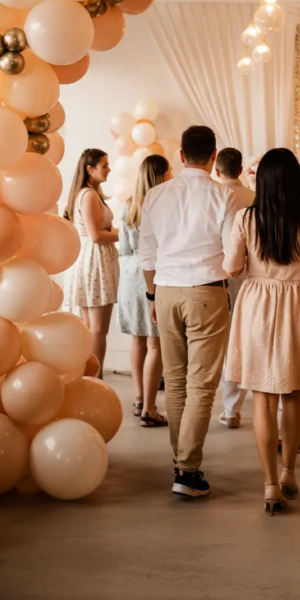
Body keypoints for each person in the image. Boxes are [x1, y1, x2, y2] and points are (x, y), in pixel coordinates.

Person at [224, 148, 300, 515]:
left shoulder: (245, 218)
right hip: (299, 302)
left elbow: (232, 268)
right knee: (295, 394)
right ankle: (288, 472)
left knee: (263, 399)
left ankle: (270, 485)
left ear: (263, 181)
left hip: (257, 302)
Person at [140, 125, 238, 499]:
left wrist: (151, 296)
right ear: (214, 157)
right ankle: (187, 470)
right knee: (201, 386)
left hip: (164, 291)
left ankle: (181, 463)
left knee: (177, 382)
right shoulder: (224, 197)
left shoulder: (156, 194)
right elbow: (231, 258)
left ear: (181, 155)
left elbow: (147, 256)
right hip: (207, 292)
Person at [117, 154, 171, 428]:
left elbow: (123, 249)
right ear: (161, 175)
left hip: (129, 275)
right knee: (155, 345)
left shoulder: (129, 206)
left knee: (137, 341)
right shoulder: (163, 205)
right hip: (153, 275)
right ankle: (150, 408)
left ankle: (139, 398)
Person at [63, 148, 119, 370]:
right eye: (104, 165)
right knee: (96, 329)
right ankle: (94, 375)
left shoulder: (88, 194)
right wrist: (124, 235)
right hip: (94, 262)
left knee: (89, 326)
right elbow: (96, 235)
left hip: (90, 260)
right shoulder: (88, 196)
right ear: (90, 168)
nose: (109, 169)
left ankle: (88, 373)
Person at [215, 147, 255, 429]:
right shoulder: (255, 198)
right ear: (241, 170)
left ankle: (229, 409)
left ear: (217, 171)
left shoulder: (214, 196)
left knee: (223, 344)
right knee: (247, 340)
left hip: (217, 276)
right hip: (252, 278)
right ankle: (235, 406)